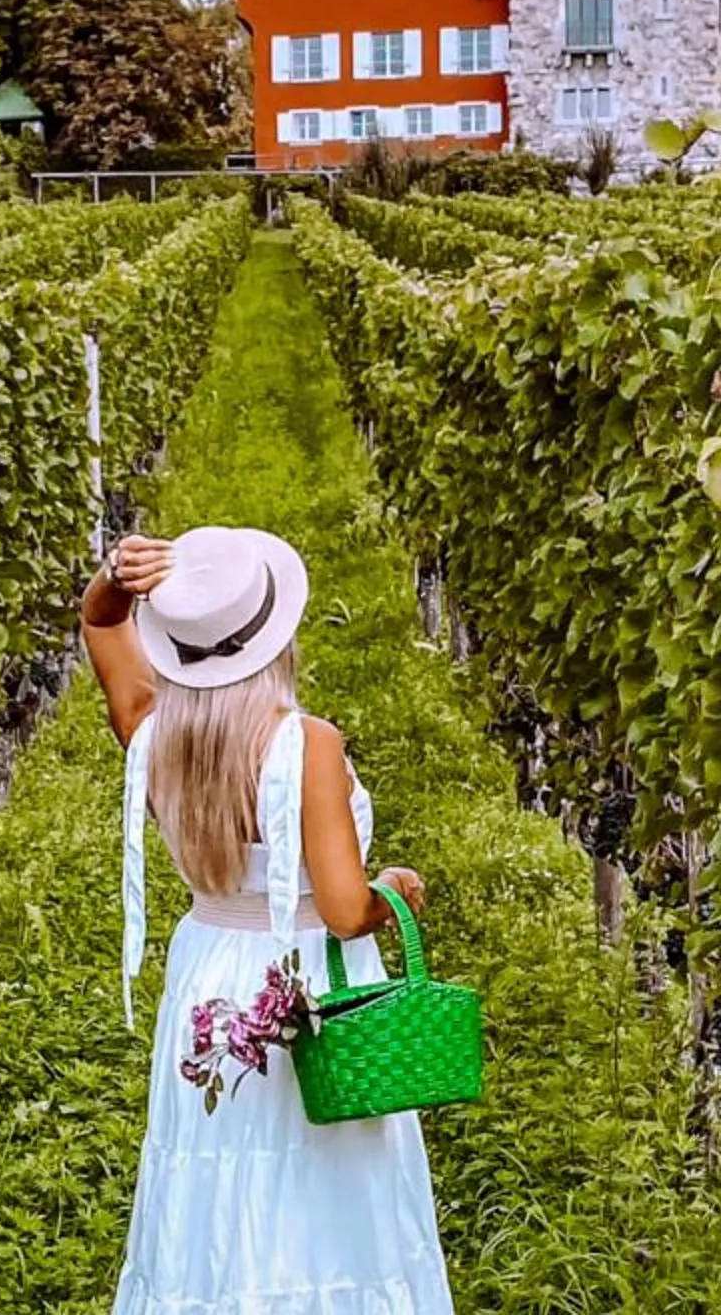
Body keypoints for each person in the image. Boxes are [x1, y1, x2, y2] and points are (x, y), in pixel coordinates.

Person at [83, 525, 455, 1314]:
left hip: (209, 975)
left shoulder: (154, 731)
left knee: (212, 1167)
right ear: (272, 635)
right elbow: (346, 909)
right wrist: (390, 889)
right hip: (304, 981)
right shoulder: (305, 746)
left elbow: (100, 624)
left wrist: (117, 576)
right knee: (329, 1188)